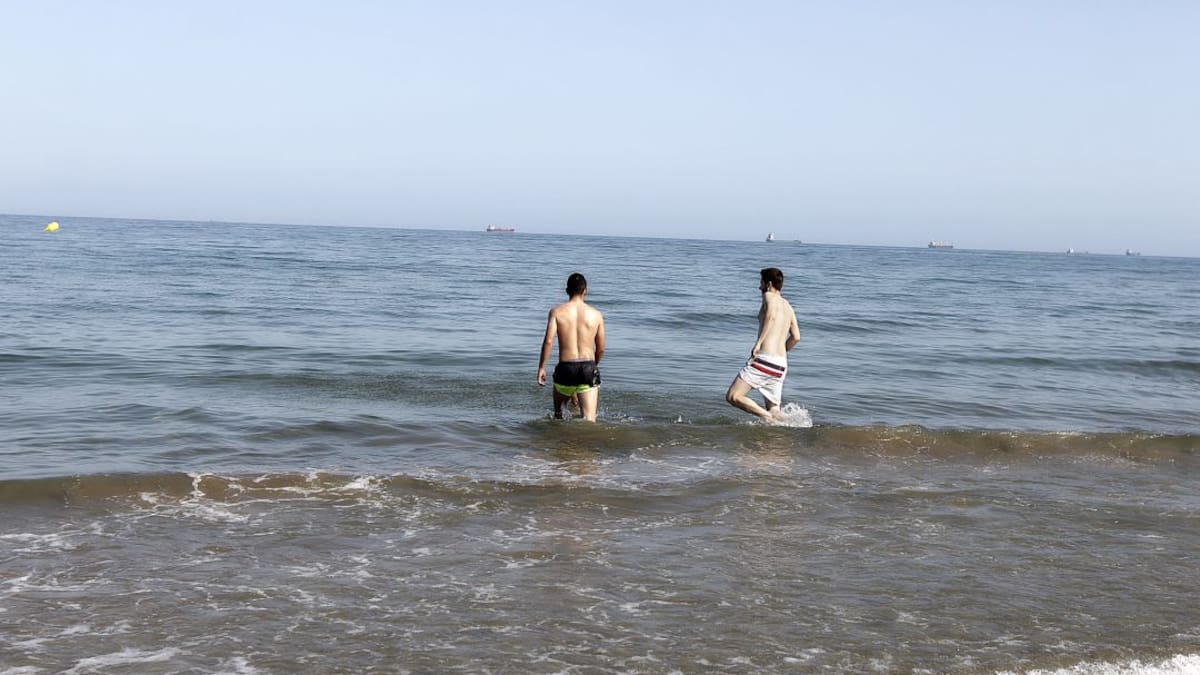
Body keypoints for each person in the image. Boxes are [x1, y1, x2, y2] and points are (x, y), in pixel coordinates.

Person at [726, 267, 801, 421]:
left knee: (733, 396)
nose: (758, 287)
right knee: (774, 409)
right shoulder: (788, 306)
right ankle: (787, 424)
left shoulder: (768, 296)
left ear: (768, 284)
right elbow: (796, 337)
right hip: (780, 365)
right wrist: (781, 352)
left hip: (765, 360)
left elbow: (771, 316)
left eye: (760, 282)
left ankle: (767, 418)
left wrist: (759, 344)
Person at [537, 272, 606, 421]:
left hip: (566, 369)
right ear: (585, 291)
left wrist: (542, 367)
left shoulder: (556, 312)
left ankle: (560, 439)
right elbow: (600, 348)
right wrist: (593, 365)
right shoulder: (596, 314)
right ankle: (581, 441)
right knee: (589, 420)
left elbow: (548, 341)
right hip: (587, 368)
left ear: (567, 290)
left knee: (557, 415)